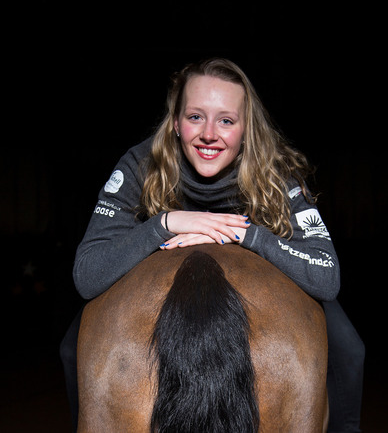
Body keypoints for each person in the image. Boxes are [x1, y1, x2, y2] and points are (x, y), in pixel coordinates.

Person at [60, 57, 364, 432]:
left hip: (263, 250)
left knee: (350, 351)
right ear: (175, 122)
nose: (209, 134)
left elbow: (327, 276)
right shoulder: (139, 165)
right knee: (71, 349)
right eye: (195, 117)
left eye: (226, 120)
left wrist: (244, 234)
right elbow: (87, 274)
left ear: (245, 127)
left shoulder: (278, 172)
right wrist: (166, 224)